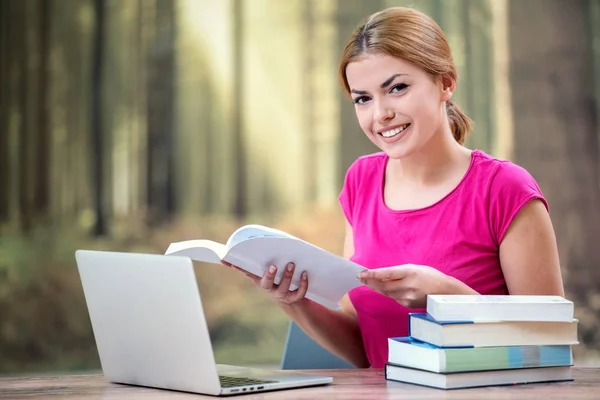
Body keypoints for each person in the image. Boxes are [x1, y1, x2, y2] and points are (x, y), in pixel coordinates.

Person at [226, 6, 565, 369]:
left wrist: (447, 296)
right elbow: (363, 348)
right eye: (363, 99)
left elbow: (550, 347)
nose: (380, 114)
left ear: (446, 83)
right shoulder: (362, 181)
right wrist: (293, 300)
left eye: (397, 88)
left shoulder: (505, 189)